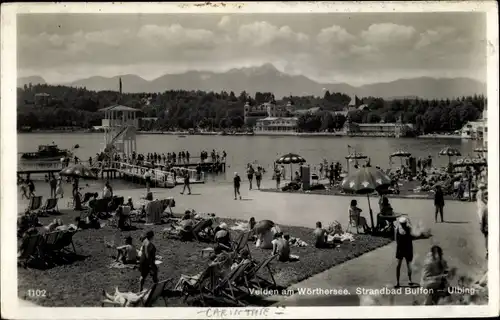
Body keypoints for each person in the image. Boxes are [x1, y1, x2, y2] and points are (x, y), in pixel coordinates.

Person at [395, 216, 415, 288]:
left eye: (404, 224)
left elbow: (413, 236)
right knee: (398, 266)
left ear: (406, 223)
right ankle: (397, 282)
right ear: (400, 223)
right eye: (402, 224)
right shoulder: (397, 229)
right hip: (400, 249)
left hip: (408, 249)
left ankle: (410, 280)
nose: (403, 225)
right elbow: (396, 239)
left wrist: (410, 223)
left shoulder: (409, 229)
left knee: (409, 265)